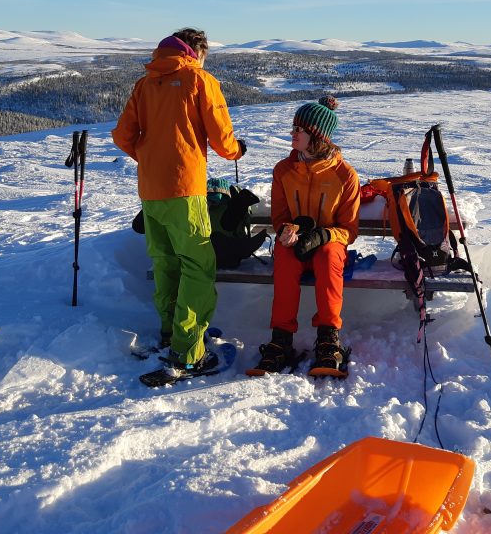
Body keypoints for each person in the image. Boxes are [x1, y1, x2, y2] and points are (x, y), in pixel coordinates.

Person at [113, 28, 245, 373]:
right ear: (196, 52)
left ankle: (171, 334)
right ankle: (189, 352)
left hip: (150, 192)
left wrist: (152, 158)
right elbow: (221, 137)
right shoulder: (198, 80)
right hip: (185, 189)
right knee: (197, 266)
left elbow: (123, 135)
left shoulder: (145, 84)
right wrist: (236, 150)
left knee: (166, 263)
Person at [249, 95, 360, 377]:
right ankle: (281, 340)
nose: (292, 134)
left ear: (317, 136)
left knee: (329, 255)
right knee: (285, 255)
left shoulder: (345, 175)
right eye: (294, 128)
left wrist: (322, 235)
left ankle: (328, 338)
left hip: (329, 244)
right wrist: (288, 229)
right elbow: (279, 217)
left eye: (299, 130)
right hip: (297, 243)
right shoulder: (284, 170)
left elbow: (349, 230)